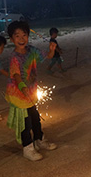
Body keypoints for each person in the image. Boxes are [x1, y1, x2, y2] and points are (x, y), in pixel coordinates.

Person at [6, 21, 58, 161]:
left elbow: (47, 56)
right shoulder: (14, 57)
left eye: (24, 35)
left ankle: (39, 140)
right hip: (19, 94)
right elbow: (16, 76)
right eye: (17, 36)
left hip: (30, 93)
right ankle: (27, 148)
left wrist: (52, 49)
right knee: (25, 123)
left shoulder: (31, 50)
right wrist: (23, 88)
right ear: (11, 39)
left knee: (35, 118)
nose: (21, 39)